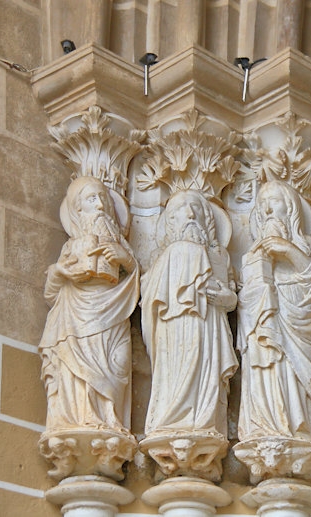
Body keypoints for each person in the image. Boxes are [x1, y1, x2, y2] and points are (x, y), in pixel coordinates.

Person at [40, 176, 139, 435]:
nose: (101, 206)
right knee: (77, 371)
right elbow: (51, 294)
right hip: (75, 317)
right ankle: (82, 419)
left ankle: (109, 420)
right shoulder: (71, 247)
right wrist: (62, 272)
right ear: (78, 209)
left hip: (114, 315)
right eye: (91, 199)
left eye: (104, 198)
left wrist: (127, 261)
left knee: (117, 364)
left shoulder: (122, 245)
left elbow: (140, 285)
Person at [237, 181, 311, 448]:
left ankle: (299, 429)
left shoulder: (307, 245)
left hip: (297, 326)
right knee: (265, 369)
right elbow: (245, 301)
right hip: (264, 330)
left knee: (291, 380)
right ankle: (264, 426)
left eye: (274, 202)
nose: (267, 209)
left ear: (290, 208)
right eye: (261, 204)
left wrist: (289, 251)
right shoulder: (252, 254)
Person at [141, 189, 238, 442]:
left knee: (207, 374)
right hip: (175, 326)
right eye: (182, 210)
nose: (191, 214)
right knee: (177, 373)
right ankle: (172, 420)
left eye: (196, 209)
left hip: (211, 327)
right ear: (170, 221)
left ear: (207, 218)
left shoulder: (220, 256)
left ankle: (206, 422)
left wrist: (225, 298)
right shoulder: (163, 256)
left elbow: (232, 298)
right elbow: (149, 296)